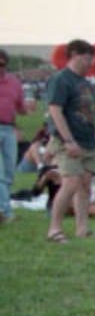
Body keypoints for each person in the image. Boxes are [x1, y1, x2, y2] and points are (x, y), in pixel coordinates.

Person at [45, 39, 95, 242]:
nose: (90, 63)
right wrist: (67, 140)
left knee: (85, 184)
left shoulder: (84, 82)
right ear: (75, 55)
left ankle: (82, 228)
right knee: (70, 183)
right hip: (68, 140)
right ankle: (54, 229)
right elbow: (55, 110)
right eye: (87, 58)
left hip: (88, 140)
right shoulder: (61, 80)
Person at [0, 48, 35, 223]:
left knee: (8, 171)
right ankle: (4, 211)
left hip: (8, 128)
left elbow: (20, 107)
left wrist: (27, 110)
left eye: (2, 64)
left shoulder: (13, 83)